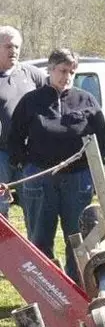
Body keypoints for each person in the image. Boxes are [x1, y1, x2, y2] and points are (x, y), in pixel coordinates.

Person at [8, 48, 105, 283]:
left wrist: (90, 173)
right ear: (50, 70)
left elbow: (101, 142)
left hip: (77, 180)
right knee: (40, 238)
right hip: (40, 178)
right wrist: (24, 165)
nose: (67, 76)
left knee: (78, 239)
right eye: (63, 71)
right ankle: (47, 290)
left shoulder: (86, 100)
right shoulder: (31, 101)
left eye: (72, 71)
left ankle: (78, 289)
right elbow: (14, 138)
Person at [0, 26, 47, 217]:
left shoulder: (33, 74)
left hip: (30, 155)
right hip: (1, 155)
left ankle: (34, 246)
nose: (14, 51)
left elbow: (50, 103)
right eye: (8, 46)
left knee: (34, 208)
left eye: (17, 47)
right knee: (1, 210)